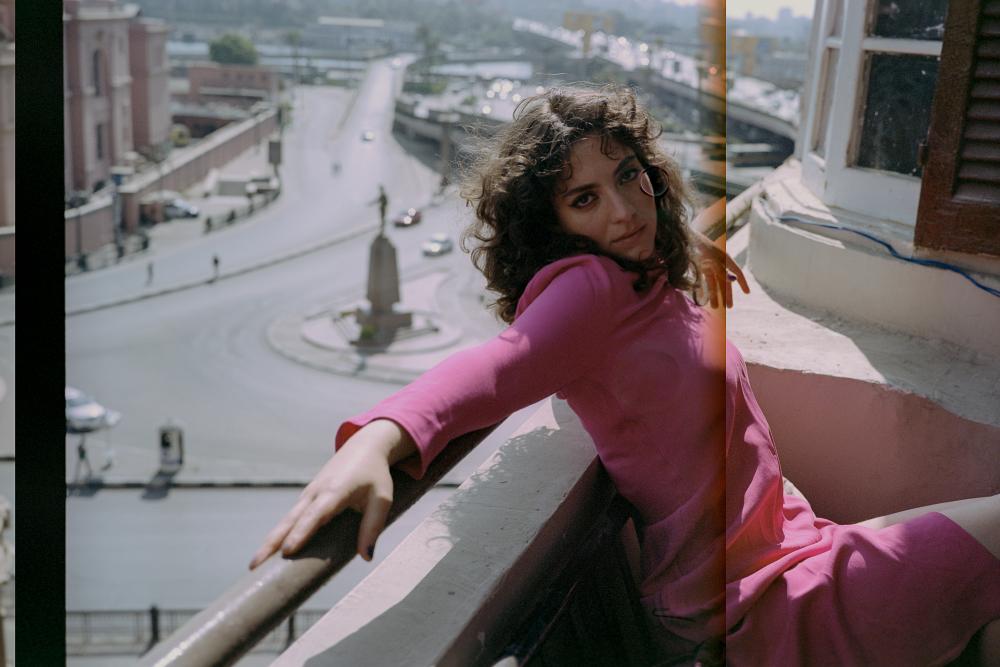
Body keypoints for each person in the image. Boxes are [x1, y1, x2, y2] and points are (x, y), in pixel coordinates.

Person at [249, 85, 999, 664]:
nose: (621, 209)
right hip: (750, 604)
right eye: (585, 198)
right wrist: (379, 437)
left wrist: (682, 244)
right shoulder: (590, 291)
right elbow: (496, 366)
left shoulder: (640, 278)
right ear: (555, 227)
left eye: (628, 175)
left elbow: (649, 270)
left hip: (789, 546)